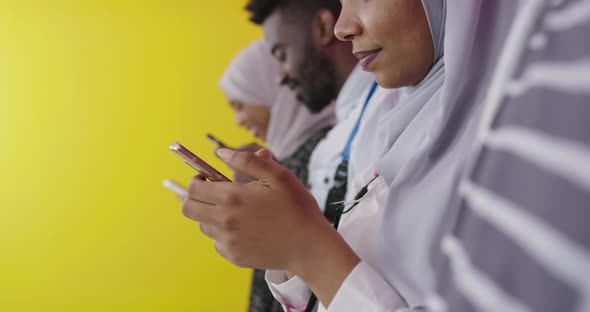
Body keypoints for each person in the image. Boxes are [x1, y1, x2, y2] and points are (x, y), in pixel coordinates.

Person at [181, 1, 483, 311]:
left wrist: (303, 245)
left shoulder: (498, 145)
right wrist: (288, 246)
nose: (343, 28)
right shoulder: (401, 123)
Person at [218, 38, 336, 312]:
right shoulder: (285, 155)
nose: (238, 120)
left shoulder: (326, 150)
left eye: (240, 105)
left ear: (271, 91)